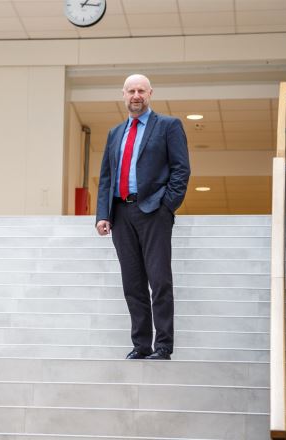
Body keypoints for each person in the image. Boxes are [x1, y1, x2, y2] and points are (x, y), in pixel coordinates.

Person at [95, 74, 190, 360]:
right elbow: (106, 177)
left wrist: (167, 206)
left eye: (141, 91)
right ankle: (141, 344)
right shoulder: (115, 133)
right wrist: (103, 214)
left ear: (150, 94)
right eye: (131, 91)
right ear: (123, 95)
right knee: (132, 284)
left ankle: (163, 346)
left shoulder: (168, 126)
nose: (136, 95)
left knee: (159, 281)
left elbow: (181, 169)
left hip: (154, 211)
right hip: (121, 214)